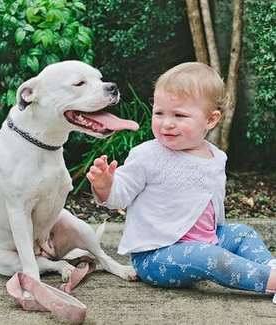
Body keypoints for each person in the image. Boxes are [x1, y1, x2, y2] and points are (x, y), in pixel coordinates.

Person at [86, 62, 276, 302]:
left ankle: (269, 266)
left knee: (242, 233)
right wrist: (105, 185)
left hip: (208, 241)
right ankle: (269, 281)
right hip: (157, 256)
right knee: (208, 257)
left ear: (210, 119)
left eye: (179, 115)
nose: (167, 123)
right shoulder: (148, 155)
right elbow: (120, 194)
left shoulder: (216, 157)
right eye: (159, 113)